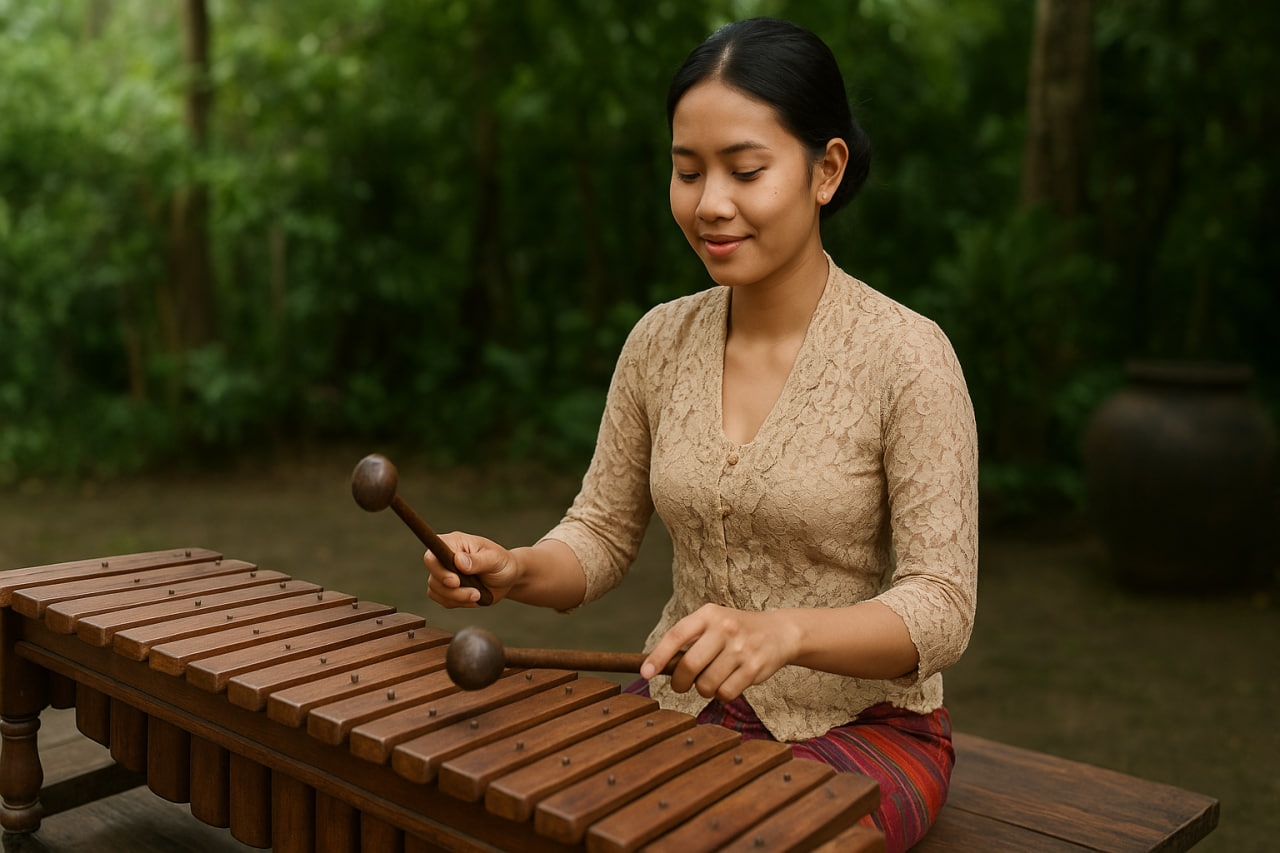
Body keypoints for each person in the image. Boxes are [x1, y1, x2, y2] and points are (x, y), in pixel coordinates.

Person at [425, 17, 978, 852]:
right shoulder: (658, 340)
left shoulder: (908, 356)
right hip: (682, 710)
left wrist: (784, 631)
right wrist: (512, 568)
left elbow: (942, 608)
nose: (710, 202)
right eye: (688, 172)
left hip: (862, 730)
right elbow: (603, 534)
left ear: (825, 170)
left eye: (745, 170)